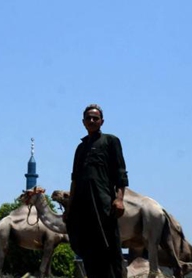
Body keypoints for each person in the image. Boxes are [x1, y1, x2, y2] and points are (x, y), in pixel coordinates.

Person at [64, 103, 129, 278]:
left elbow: (121, 173)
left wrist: (119, 199)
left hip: (104, 205)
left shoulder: (110, 141)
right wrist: (69, 209)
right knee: (87, 250)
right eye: (88, 118)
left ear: (102, 121)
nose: (92, 121)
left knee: (110, 247)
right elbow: (75, 180)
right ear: (83, 122)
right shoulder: (80, 148)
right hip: (82, 208)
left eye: (95, 118)